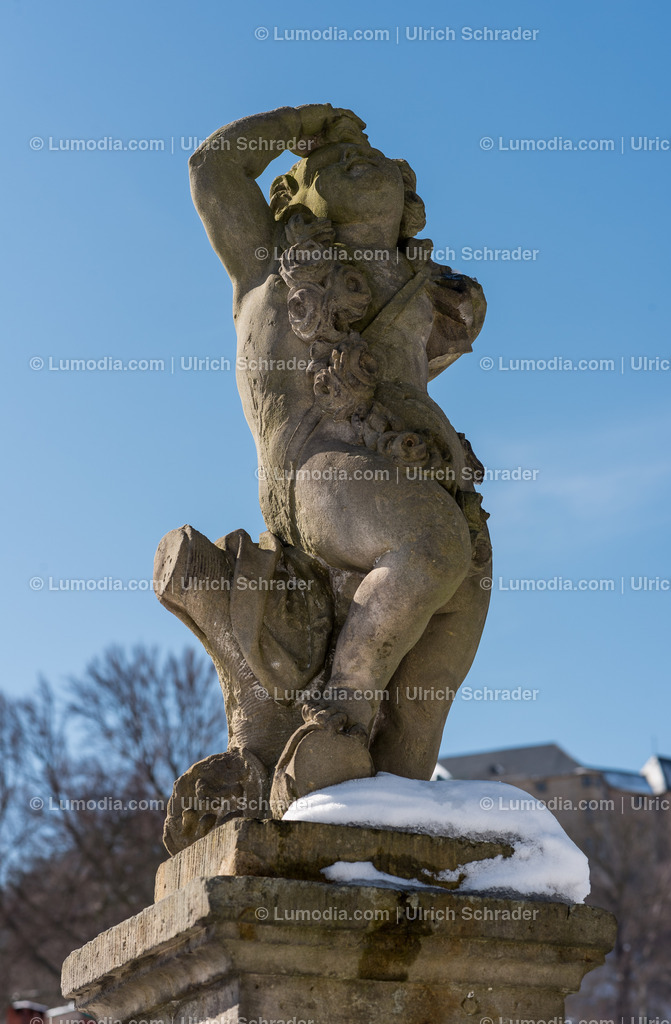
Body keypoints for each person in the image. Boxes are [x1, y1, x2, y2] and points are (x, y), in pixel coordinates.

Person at [189, 104, 492, 800]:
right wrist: (301, 124)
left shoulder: (435, 298)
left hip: (430, 478)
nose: (356, 156)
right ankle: (339, 714)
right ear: (296, 199)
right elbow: (212, 169)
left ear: (407, 192)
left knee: (420, 720)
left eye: (374, 159)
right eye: (326, 164)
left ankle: (391, 817)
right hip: (316, 468)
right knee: (429, 548)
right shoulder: (269, 266)